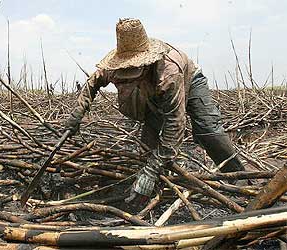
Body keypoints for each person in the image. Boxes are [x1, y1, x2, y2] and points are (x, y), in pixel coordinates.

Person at [64, 18, 245, 205]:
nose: (128, 77)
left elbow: (175, 123)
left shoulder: (169, 73)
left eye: (133, 72)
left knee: (208, 130)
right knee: (149, 144)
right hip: (154, 91)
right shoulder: (115, 68)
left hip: (190, 80)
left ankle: (240, 180)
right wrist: (77, 114)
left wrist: (151, 171)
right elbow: (92, 83)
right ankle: (159, 187)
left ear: (146, 65)